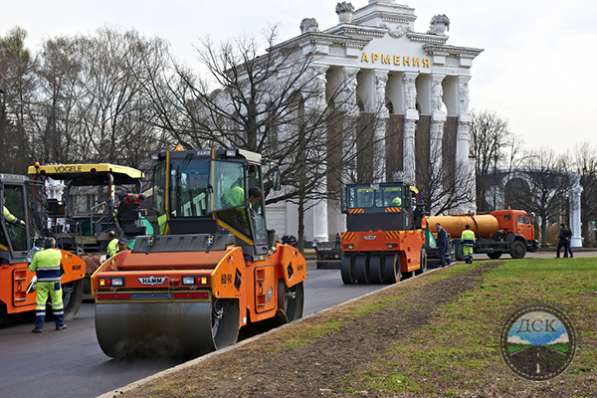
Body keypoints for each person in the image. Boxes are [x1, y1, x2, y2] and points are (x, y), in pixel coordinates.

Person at [28, 238, 67, 333]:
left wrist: (29, 263)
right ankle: (60, 324)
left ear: (44, 245)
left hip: (42, 283)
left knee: (40, 304)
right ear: (54, 245)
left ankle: (39, 327)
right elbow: (62, 267)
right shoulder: (58, 253)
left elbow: (31, 269)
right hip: (55, 282)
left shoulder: (38, 255)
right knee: (57, 303)